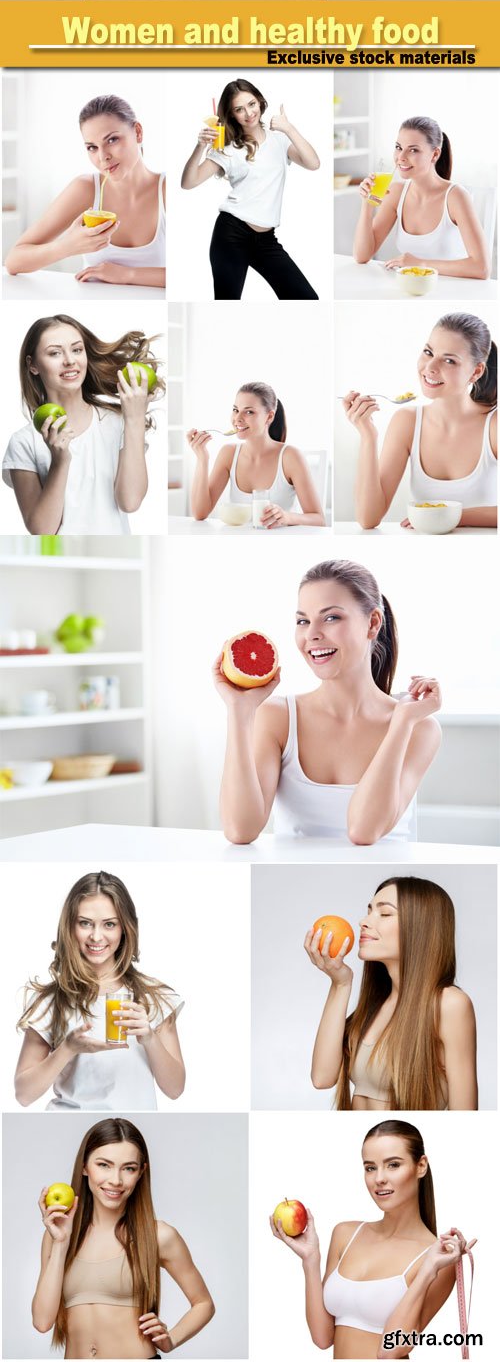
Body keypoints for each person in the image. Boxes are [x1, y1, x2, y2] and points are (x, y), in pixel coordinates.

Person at [215, 559, 441, 845]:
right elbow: (240, 830)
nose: (312, 634)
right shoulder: (278, 718)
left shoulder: (419, 728)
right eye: (303, 621)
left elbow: (363, 831)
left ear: (372, 623)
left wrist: (402, 723)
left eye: (331, 617)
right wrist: (239, 711)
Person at [270, 1118, 475, 1360]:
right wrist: (310, 1260)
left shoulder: (438, 1260)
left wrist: (428, 1270)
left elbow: (391, 1350)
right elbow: (322, 1338)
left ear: (421, 1166)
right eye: (370, 1167)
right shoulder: (345, 1234)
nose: (379, 1178)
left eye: (393, 1165)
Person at [32, 1117, 215, 1357]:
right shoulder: (57, 1237)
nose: (116, 1180)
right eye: (104, 1165)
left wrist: (173, 1339)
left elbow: (204, 1304)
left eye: (128, 1168)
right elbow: (42, 1322)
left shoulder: (159, 1235)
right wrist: (60, 1243)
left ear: (141, 1173)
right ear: (85, 1166)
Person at [15, 869, 185, 1112]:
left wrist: (149, 1037)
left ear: (124, 928)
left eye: (109, 924)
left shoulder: (154, 998)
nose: (96, 936)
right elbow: (23, 1094)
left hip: (132, 1130)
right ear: (69, 926)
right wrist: (68, 1048)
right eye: (85, 923)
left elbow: (175, 1089)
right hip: (68, 1128)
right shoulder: (52, 1001)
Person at [305, 877, 477, 1110]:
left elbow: (465, 1117)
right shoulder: (375, 1007)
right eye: (369, 911)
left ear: (420, 927)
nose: (363, 922)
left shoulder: (449, 1004)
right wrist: (340, 984)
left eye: (384, 914)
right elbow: (322, 1078)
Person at [2, 314, 163, 535]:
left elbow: (130, 502)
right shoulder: (24, 442)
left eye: (77, 350)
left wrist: (134, 419)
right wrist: (60, 461)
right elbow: (42, 530)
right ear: (33, 366)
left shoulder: (117, 424)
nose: (70, 360)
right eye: (55, 353)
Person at [343, 312, 497, 530]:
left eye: (449, 360)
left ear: (476, 371)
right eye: (428, 352)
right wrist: (368, 435)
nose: (430, 368)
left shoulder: (494, 424)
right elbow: (368, 519)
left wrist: (453, 516)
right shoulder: (407, 421)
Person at [4, 94, 166, 289]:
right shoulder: (86, 189)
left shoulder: (167, 190)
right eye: (92, 147)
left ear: (138, 132)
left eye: (112, 140)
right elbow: (14, 261)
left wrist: (128, 274)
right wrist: (67, 246)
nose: (103, 156)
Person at [181, 81, 320, 299]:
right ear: (232, 114)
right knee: (227, 306)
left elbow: (313, 163)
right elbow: (188, 182)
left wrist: (289, 128)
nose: (248, 113)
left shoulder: (280, 140)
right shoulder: (227, 148)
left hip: (266, 240)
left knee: (306, 299)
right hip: (231, 234)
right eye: (239, 109)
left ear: (260, 101)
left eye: (251, 104)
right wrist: (200, 146)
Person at [353, 117, 490, 280]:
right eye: (398, 147)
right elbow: (362, 256)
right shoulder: (396, 193)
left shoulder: (455, 196)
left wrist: (420, 263)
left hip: (452, 292)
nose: (400, 157)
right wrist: (367, 204)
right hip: (413, 290)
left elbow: (481, 268)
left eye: (413, 150)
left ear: (435, 154)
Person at [187, 380, 326, 524]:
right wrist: (202, 459)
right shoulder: (228, 454)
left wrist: (286, 517)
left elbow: (319, 519)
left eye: (249, 412)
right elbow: (200, 513)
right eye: (235, 410)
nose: (237, 419)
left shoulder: (290, 457)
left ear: (269, 416)